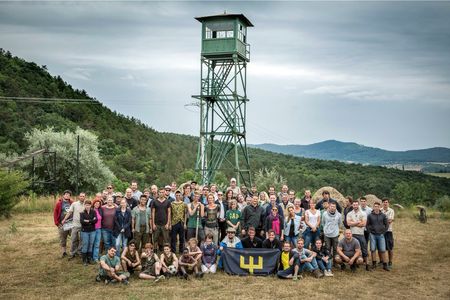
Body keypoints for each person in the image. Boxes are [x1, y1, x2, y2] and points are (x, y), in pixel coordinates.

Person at [346, 199, 369, 271]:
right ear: (352, 205)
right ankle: (354, 265)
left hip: (360, 234)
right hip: (352, 234)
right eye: (354, 204)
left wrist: (353, 223)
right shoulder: (349, 214)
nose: (355, 206)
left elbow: (364, 224)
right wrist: (358, 222)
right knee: (353, 250)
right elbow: (348, 224)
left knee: (364, 249)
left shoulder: (363, 213)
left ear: (358, 205)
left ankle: (367, 264)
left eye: (356, 204)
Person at [61, 192, 86, 259]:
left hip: (83, 225)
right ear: (79, 197)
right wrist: (64, 219)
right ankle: (72, 253)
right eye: (81, 196)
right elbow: (69, 212)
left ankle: (79, 252)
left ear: (85, 197)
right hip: (75, 225)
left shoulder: (86, 204)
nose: (82, 197)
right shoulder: (74, 204)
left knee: (82, 240)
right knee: (73, 239)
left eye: (83, 196)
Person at [366, 202, 390, 271]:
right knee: (373, 249)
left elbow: (387, 224)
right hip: (373, 235)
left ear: (380, 207)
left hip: (381, 235)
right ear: (373, 207)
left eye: (377, 206)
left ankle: (385, 265)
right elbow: (367, 225)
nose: (376, 208)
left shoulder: (383, 215)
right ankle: (374, 264)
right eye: (375, 206)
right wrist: (370, 232)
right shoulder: (370, 215)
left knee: (383, 250)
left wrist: (384, 232)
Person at [151, 187, 172, 252]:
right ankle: (154, 251)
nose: (161, 193)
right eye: (160, 192)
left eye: (163, 192)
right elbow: (153, 212)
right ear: (158, 193)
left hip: (165, 223)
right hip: (156, 223)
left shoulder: (167, 202)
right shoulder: (154, 201)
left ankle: (166, 252)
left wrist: (168, 223)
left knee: (166, 239)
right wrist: (153, 224)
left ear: (164, 193)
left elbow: (169, 212)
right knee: (155, 238)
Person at [53, 190, 72, 258]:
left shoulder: (72, 203)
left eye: (68, 194)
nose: (67, 195)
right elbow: (55, 213)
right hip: (62, 224)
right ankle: (63, 252)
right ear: (63, 195)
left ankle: (73, 251)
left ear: (70, 196)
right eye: (66, 194)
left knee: (74, 237)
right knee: (63, 238)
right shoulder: (59, 203)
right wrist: (57, 223)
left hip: (71, 223)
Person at [80, 200, 97, 266]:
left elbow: (95, 220)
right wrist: (91, 221)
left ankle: (89, 259)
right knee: (85, 244)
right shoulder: (82, 213)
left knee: (91, 244)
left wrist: (87, 221)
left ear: (90, 205)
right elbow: (82, 221)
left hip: (92, 230)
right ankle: (84, 260)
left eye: (89, 205)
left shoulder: (93, 212)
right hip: (85, 231)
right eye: (86, 205)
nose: (87, 206)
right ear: (84, 205)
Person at [381, 198, 395, 269]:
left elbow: (390, 221)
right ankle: (381, 261)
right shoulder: (380, 210)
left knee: (390, 247)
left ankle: (390, 261)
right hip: (381, 231)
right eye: (384, 202)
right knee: (381, 247)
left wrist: (381, 221)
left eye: (386, 202)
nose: (385, 203)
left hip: (388, 231)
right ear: (382, 203)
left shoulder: (391, 210)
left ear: (388, 203)